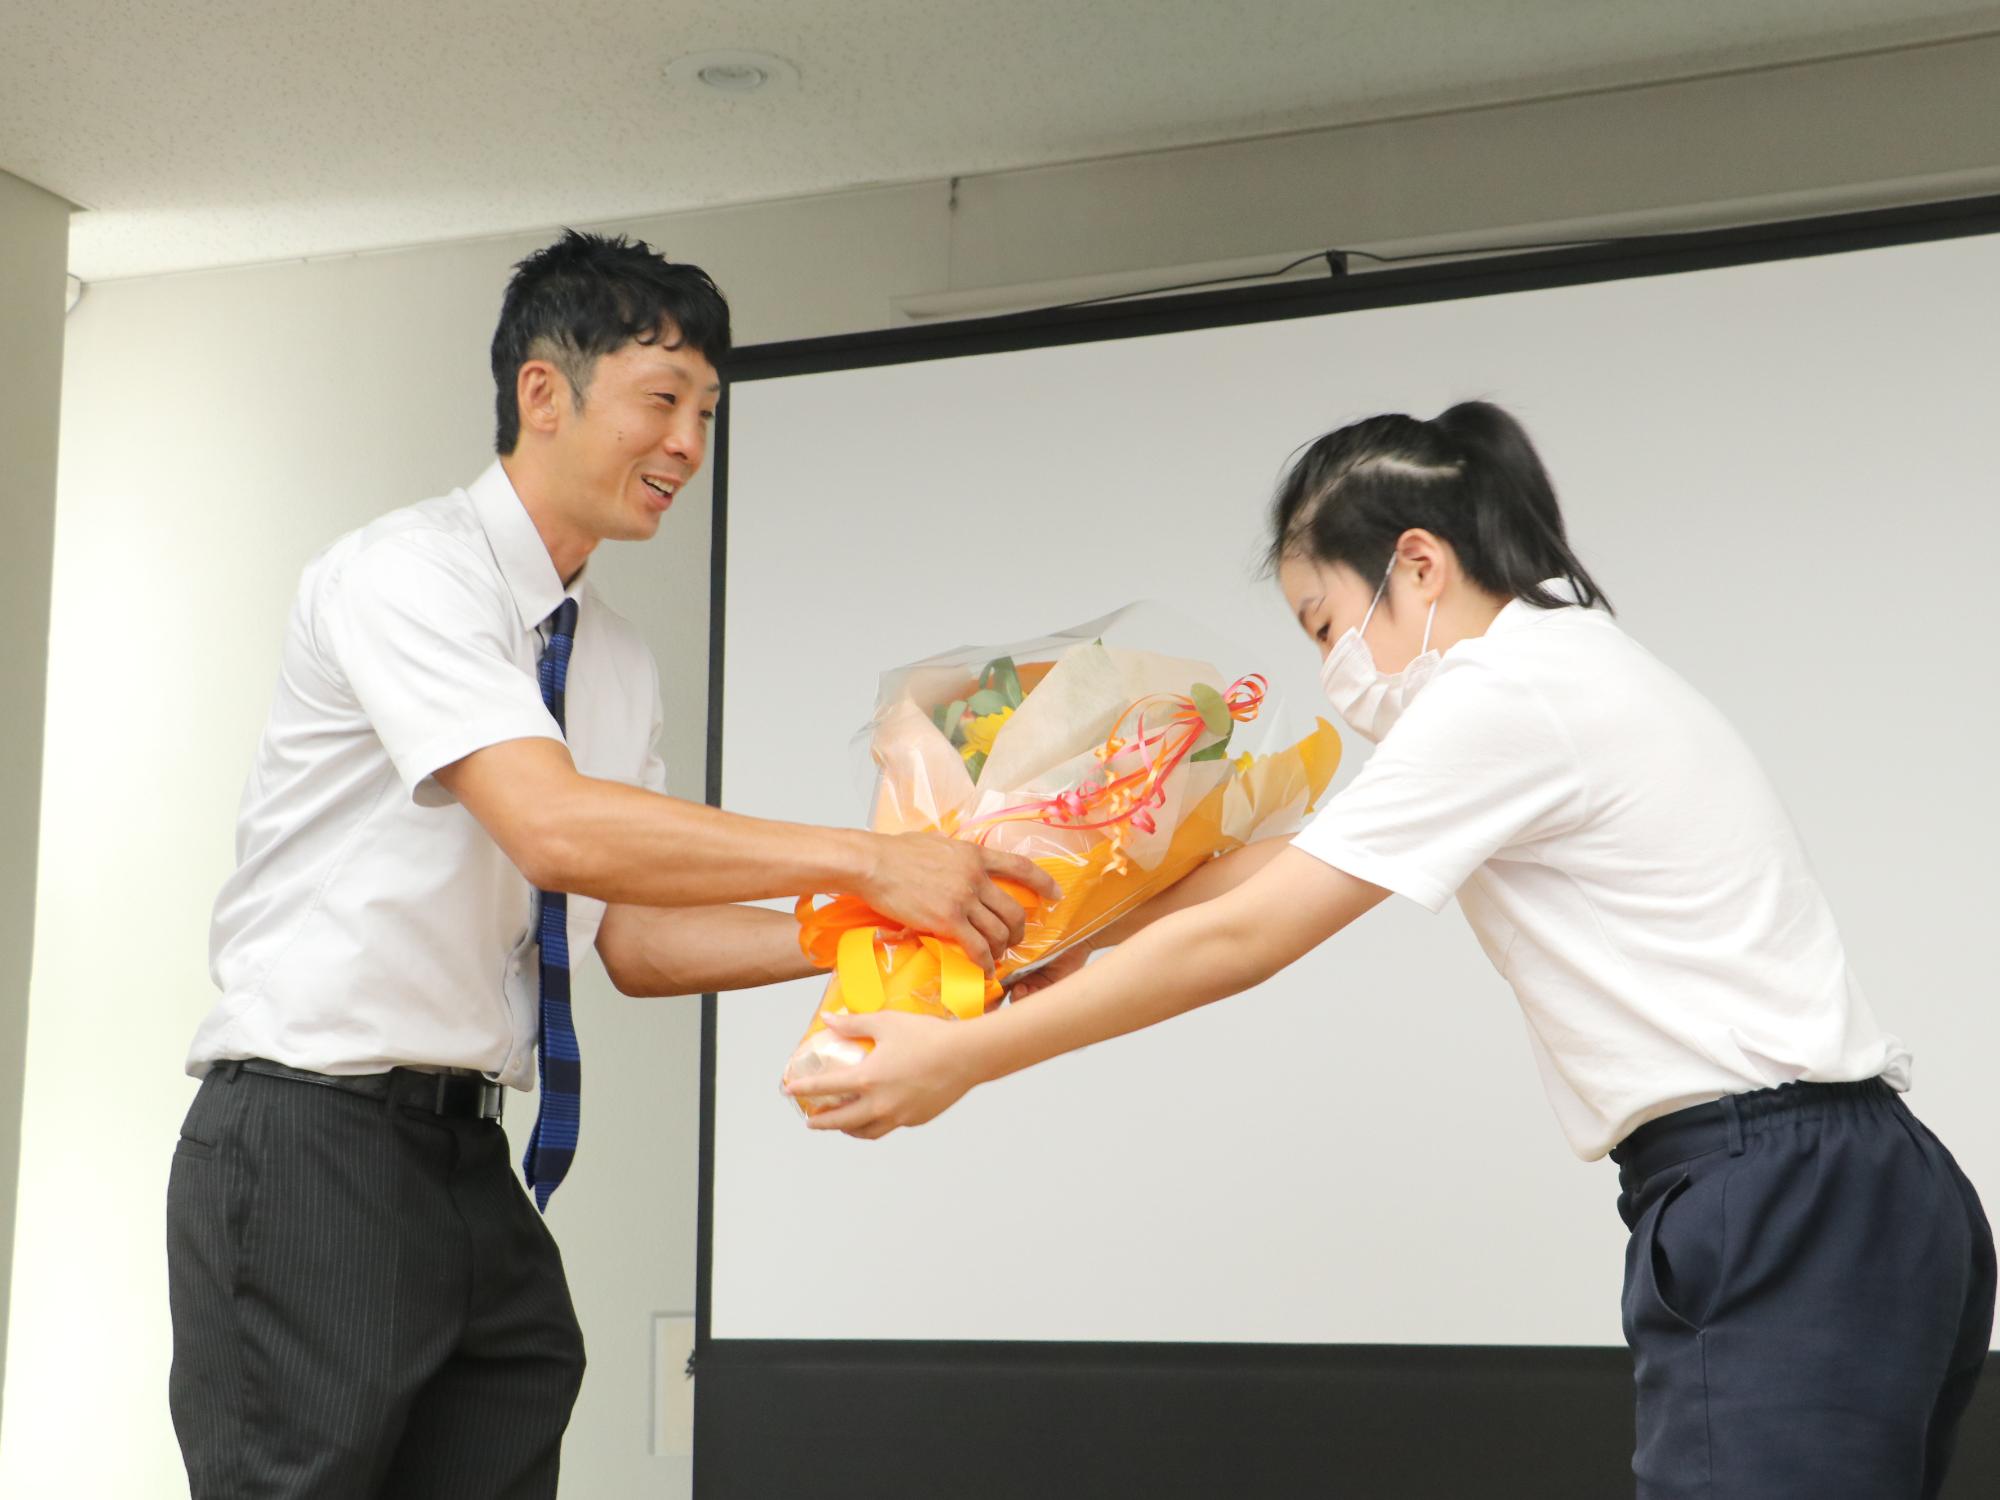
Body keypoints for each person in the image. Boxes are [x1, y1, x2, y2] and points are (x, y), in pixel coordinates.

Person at [789, 401, 1996, 1499]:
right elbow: (1282, 862)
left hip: (1774, 1193)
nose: (1332, 668)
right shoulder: (1560, 675)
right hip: (1857, 1185)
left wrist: (966, 1054)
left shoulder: (1505, 695)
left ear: (1416, 563)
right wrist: (1070, 938)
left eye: (1324, 621)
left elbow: (1256, 932)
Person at [165, 229, 1057, 1500]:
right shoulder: (404, 574)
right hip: (310, 1132)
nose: (689, 444)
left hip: (464, 1152)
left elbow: (631, 940)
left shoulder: (614, 658)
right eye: (662, 400)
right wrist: (875, 857)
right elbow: (554, 827)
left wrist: (874, 924)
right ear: (544, 391)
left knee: (523, 1392)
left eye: (705, 411)